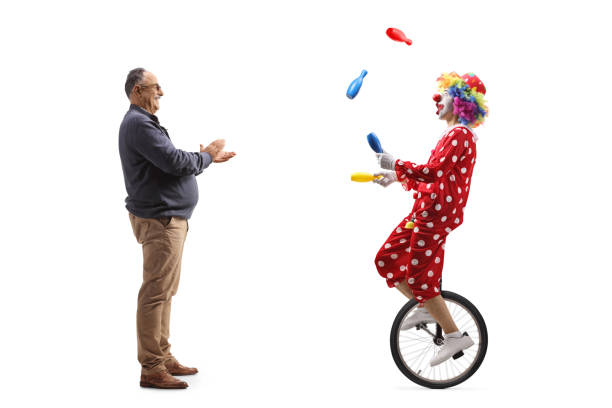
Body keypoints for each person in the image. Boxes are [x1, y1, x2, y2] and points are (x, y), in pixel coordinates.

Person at [118, 68, 236, 389]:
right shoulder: (139, 124)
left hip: (167, 219)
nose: (162, 92)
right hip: (160, 220)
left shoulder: (143, 124)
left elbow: (173, 162)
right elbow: (177, 162)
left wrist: (203, 159)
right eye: (156, 87)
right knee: (155, 293)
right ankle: (152, 367)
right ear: (138, 91)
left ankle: (162, 355)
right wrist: (206, 156)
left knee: (165, 292)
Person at [372, 72, 487, 366]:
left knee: (421, 277)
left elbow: (433, 172)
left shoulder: (460, 135)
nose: (437, 98)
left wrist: (396, 162)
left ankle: (454, 335)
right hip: (424, 211)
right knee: (385, 259)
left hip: (435, 215)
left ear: (461, 102)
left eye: (445, 95)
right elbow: (434, 181)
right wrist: (396, 177)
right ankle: (424, 304)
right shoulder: (450, 136)